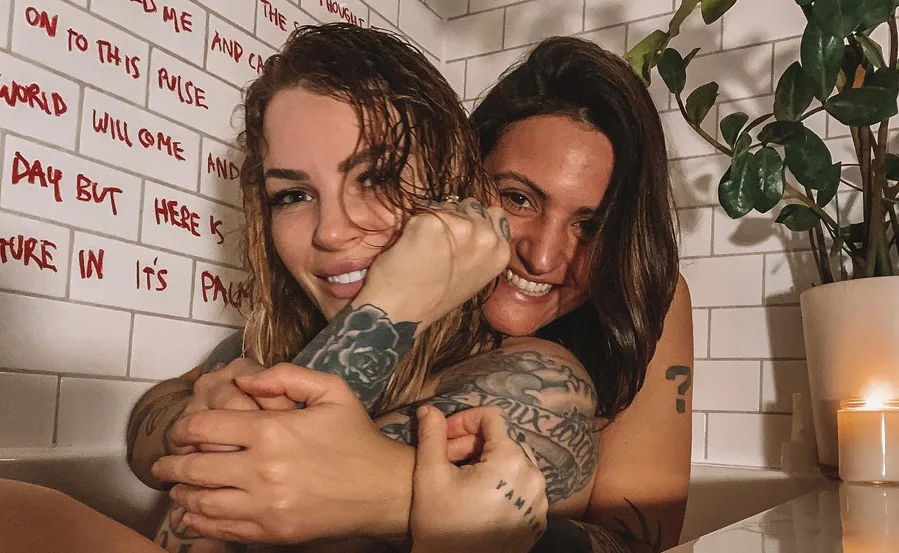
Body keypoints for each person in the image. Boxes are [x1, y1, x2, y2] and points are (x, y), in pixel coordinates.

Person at [144, 36, 693, 553]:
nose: (543, 257)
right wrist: (189, 422)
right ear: (462, 184)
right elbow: (167, 408)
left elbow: (641, 542)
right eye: (518, 198)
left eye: (591, 226)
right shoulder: (335, 296)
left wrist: (390, 493)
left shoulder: (621, 310)